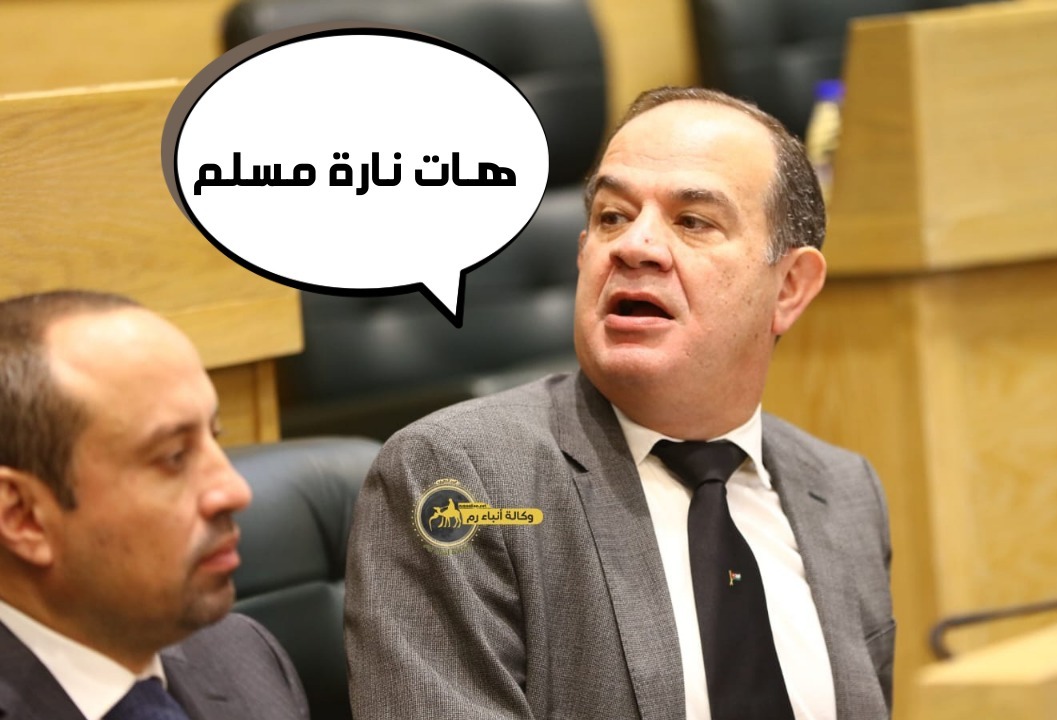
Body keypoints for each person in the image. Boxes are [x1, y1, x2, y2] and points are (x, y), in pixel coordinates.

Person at [346, 87, 893, 720]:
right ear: (584, 253)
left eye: (693, 221)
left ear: (791, 287)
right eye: (612, 216)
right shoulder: (460, 479)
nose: (635, 246)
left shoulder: (844, 493)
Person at [0, 290, 309, 720]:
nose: (235, 490)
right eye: (174, 457)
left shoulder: (241, 656)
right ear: (24, 517)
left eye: (216, 437)